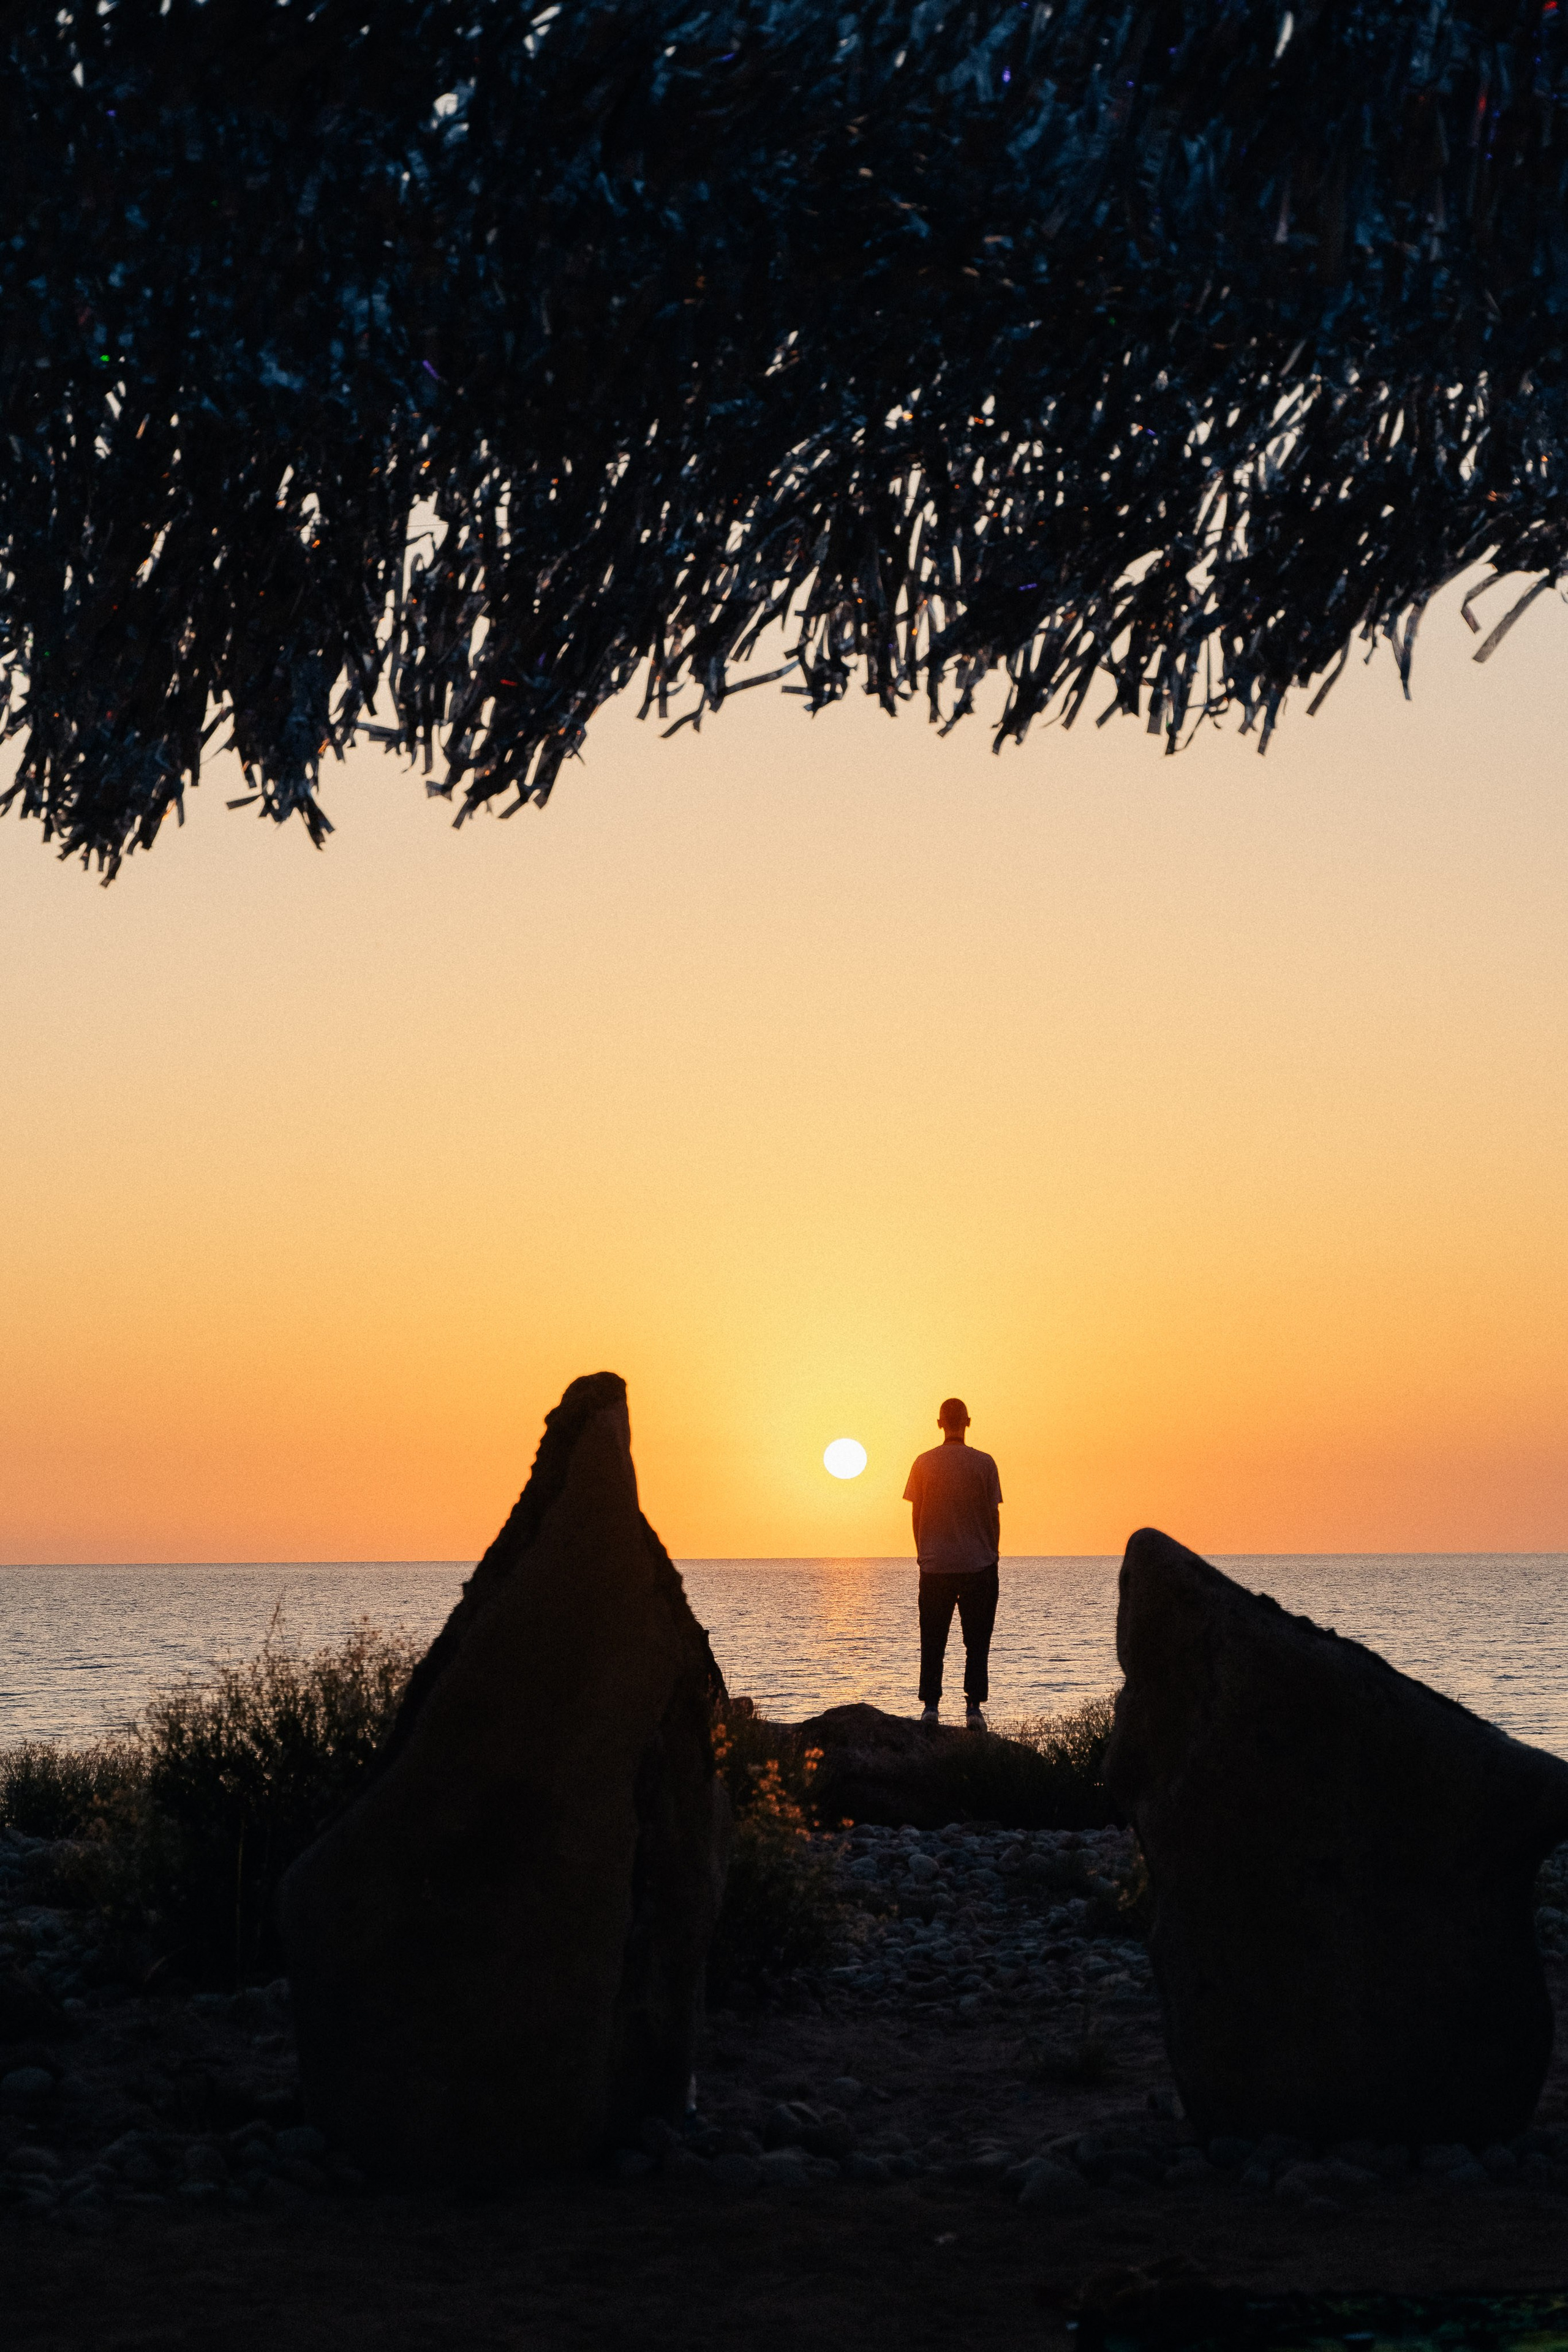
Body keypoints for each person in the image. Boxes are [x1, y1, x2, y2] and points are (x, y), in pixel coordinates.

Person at [902, 1398, 1003, 1729]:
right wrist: (993, 1552)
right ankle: (973, 1708)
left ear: (939, 1423)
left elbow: (916, 1515)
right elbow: (993, 1514)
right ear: (968, 1422)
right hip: (979, 1564)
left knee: (933, 1638)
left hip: (935, 1565)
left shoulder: (923, 1463)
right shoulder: (985, 1463)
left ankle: (931, 1706)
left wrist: (922, 1552)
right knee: (977, 1640)